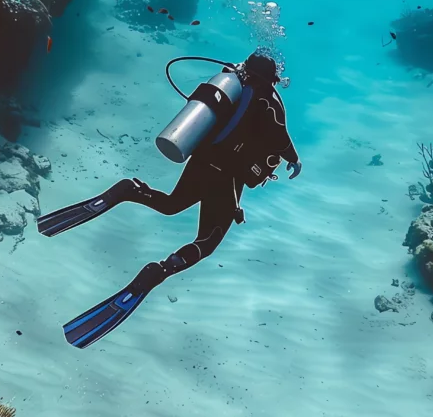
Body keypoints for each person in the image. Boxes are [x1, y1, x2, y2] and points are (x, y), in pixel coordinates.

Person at [37, 51, 302, 348]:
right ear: (271, 78)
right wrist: (294, 159)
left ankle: (129, 190)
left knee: (170, 204)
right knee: (208, 241)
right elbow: (279, 137)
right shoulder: (267, 100)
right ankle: (160, 270)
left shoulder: (232, 86)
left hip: (201, 162)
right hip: (225, 178)